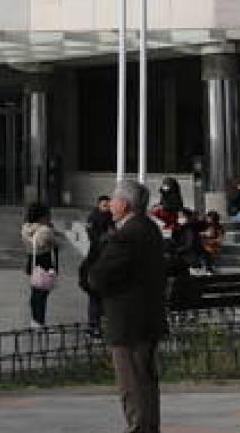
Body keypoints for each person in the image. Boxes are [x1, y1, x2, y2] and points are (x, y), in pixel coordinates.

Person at [87, 181, 167, 433]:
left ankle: (138, 427)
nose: (110, 204)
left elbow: (98, 276)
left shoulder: (127, 235)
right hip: (148, 317)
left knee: (131, 383)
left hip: (128, 321)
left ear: (125, 203)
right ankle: (148, 426)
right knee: (145, 380)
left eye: (113, 199)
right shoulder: (150, 229)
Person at [81, 195, 114, 333]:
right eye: (104, 205)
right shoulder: (94, 218)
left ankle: (96, 324)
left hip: (104, 261)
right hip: (97, 260)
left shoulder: (111, 219)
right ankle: (95, 325)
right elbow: (92, 236)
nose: (106, 208)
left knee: (99, 297)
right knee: (96, 296)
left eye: (108, 205)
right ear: (98, 205)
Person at [21, 202, 57, 329]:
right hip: (44, 263)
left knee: (35, 292)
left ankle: (34, 319)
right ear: (42, 216)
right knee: (42, 295)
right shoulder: (45, 230)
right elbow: (54, 243)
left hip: (32, 262)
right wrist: (51, 229)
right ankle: (39, 321)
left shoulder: (26, 228)